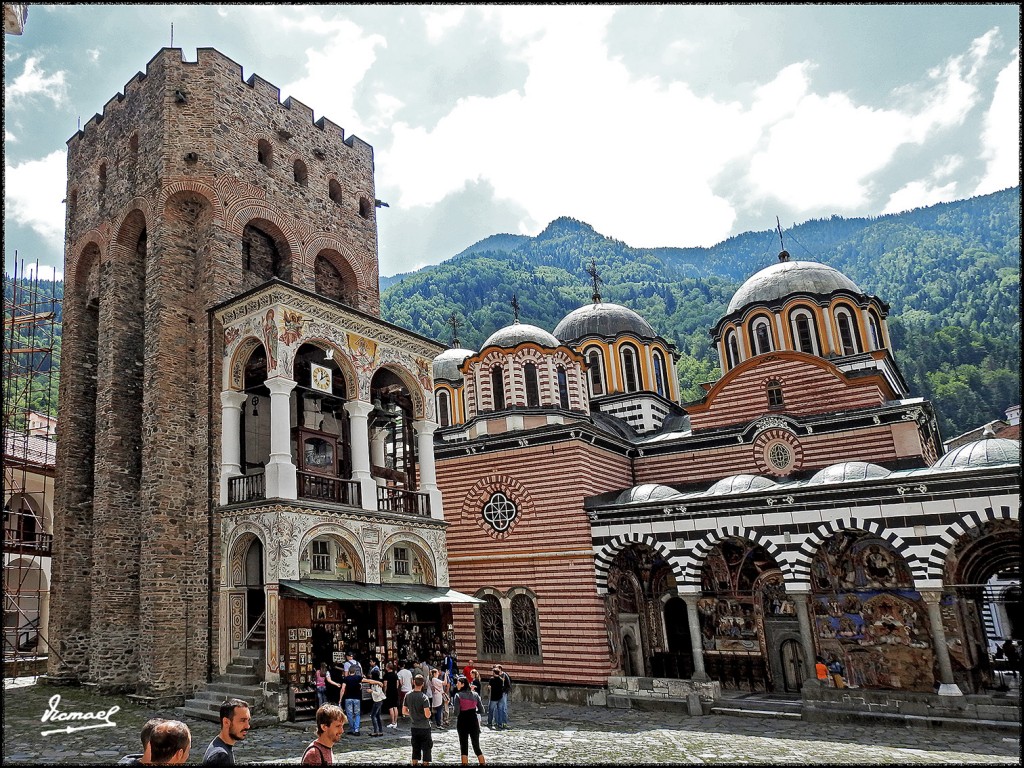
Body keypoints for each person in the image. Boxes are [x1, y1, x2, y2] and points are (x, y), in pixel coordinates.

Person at [203, 698, 250, 765]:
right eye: (242, 720)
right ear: (226, 722)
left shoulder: (219, 746)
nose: (247, 726)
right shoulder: (220, 756)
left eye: (248, 720)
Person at [452, 675, 486, 765]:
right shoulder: (475, 695)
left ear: (462, 684)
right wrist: (473, 709)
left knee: (464, 747)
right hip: (473, 721)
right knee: (476, 746)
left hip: (462, 722)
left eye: (458, 683)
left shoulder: (458, 695)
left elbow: (456, 712)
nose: (456, 684)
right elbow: (482, 710)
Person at [403, 674, 433, 766]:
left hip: (414, 727)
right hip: (424, 727)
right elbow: (427, 715)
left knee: (415, 750)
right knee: (426, 750)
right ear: (423, 684)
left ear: (413, 682)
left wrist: (412, 713)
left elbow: (404, 711)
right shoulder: (424, 697)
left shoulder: (407, 695)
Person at [339, 662, 364, 735]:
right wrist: (378, 682)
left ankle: (352, 728)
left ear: (349, 671)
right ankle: (356, 729)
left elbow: (343, 689)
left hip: (348, 698)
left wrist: (340, 699)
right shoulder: (358, 678)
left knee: (349, 714)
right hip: (357, 698)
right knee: (357, 714)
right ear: (355, 671)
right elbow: (368, 681)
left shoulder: (346, 679)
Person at [383, 661, 401, 729]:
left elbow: (385, 685)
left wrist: (384, 691)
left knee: (390, 707)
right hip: (395, 691)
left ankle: (392, 722)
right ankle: (395, 722)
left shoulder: (386, 675)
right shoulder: (395, 675)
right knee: (395, 707)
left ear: (387, 668)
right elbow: (397, 684)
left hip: (389, 691)